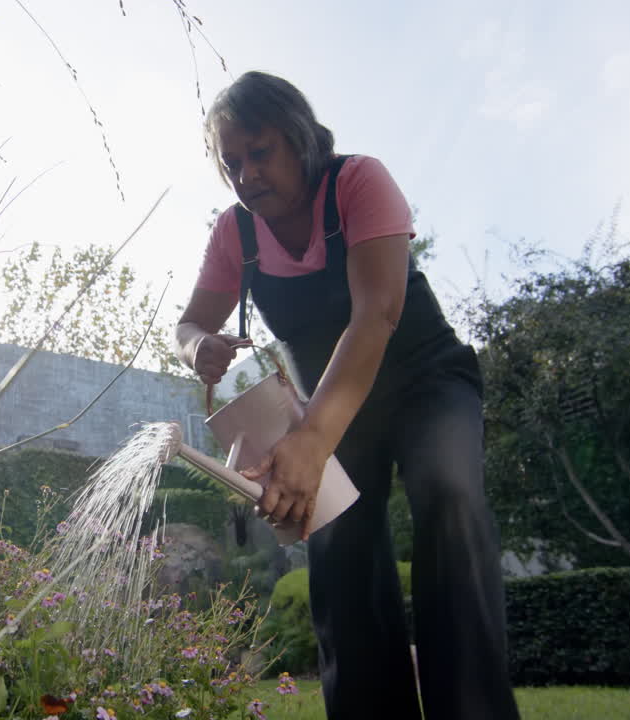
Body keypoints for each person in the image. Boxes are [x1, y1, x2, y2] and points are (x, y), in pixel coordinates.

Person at [174, 71, 521, 719]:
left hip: (426, 383)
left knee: (449, 491)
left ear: (298, 139)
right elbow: (187, 323)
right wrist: (200, 347)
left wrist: (311, 441)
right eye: (231, 163)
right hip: (333, 413)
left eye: (259, 152)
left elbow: (377, 316)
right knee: (340, 545)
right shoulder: (236, 235)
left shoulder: (359, 183)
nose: (245, 174)